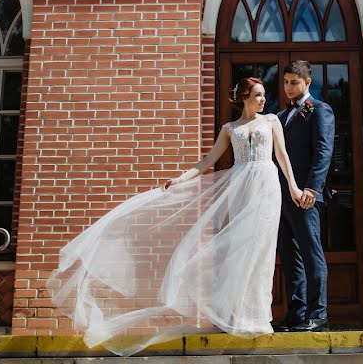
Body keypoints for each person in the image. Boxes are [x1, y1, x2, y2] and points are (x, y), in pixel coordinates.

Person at [48, 77, 305, 355]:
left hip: (266, 187)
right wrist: (179, 179)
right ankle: (235, 317)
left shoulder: (271, 122)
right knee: (238, 250)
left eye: (264, 95)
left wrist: (292, 185)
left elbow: (282, 156)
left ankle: (257, 318)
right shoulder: (230, 129)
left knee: (260, 251)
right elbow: (207, 161)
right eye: (258, 95)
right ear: (244, 97)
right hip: (239, 189)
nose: (263, 99)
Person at [274, 60, 335, 332]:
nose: (289, 87)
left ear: (307, 82)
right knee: (290, 257)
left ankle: (317, 313)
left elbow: (323, 151)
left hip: (306, 196)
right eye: (286, 82)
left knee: (311, 254)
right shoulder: (280, 117)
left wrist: (312, 188)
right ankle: (296, 314)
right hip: (282, 197)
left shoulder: (319, 110)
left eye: (294, 82)